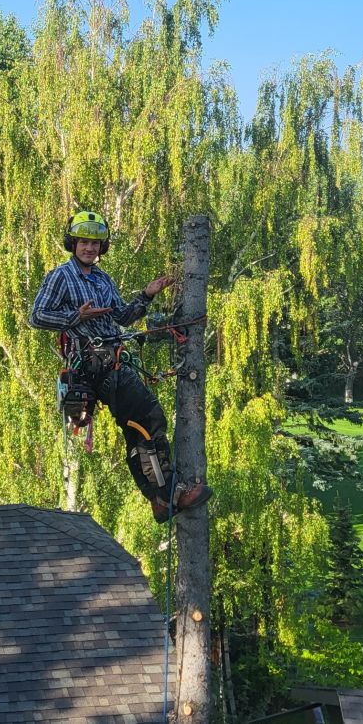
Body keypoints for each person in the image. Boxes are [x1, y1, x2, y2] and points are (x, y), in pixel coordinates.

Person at [30, 210, 212, 523]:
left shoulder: (102, 279)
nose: (89, 248)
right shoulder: (61, 276)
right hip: (93, 364)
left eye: (95, 243)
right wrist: (76, 317)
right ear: (73, 243)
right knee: (150, 419)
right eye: (84, 241)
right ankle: (169, 493)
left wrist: (146, 295)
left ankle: (159, 497)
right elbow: (37, 316)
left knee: (138, 429)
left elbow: (122, 317)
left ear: (102, 247)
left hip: (113, 358)